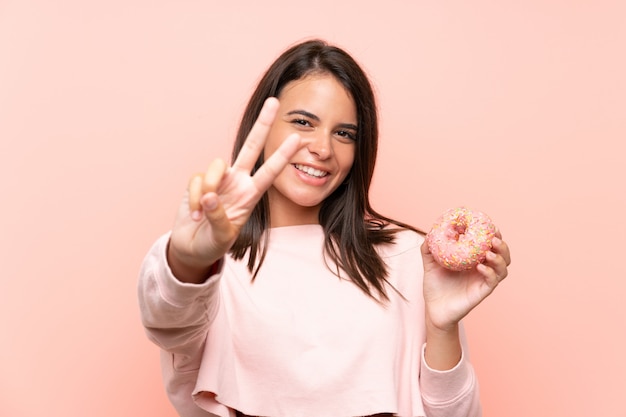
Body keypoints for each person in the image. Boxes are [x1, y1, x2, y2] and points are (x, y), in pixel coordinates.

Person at [138, 39, 511, 417]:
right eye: (303, 122)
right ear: (261, 128)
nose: (323, 149)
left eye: (344, 133)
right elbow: (167, 323)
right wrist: (187, 262)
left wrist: (443, 327)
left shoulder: (410, 258)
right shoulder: (215, 267)